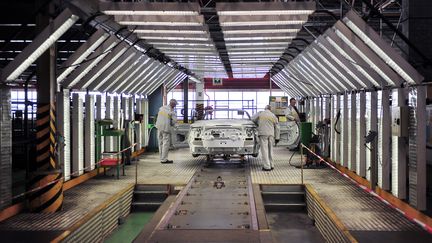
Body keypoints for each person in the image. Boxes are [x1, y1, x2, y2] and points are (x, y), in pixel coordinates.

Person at [252, 105, 280, 171]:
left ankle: (267, 166)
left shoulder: (260, 113)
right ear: (270, 109)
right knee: (270, 149)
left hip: (263, 134)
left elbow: (252, 119)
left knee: (264, 150)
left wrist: (258, 124)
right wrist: (277, 137)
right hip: (271, 134)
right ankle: (271, 165)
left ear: (265, 109)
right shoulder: (273, 115)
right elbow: (277, 127)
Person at [155, 99, 177, 164]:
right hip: (165, 129)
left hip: (159, 127)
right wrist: (174, 125)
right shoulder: (171, 112)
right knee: (165, 144)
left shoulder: (162, 108)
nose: (175, 106)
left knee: (160, 143)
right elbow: (174, 122)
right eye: (175, 105)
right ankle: (164, 159)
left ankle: (161, 158)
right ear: (173, 104)